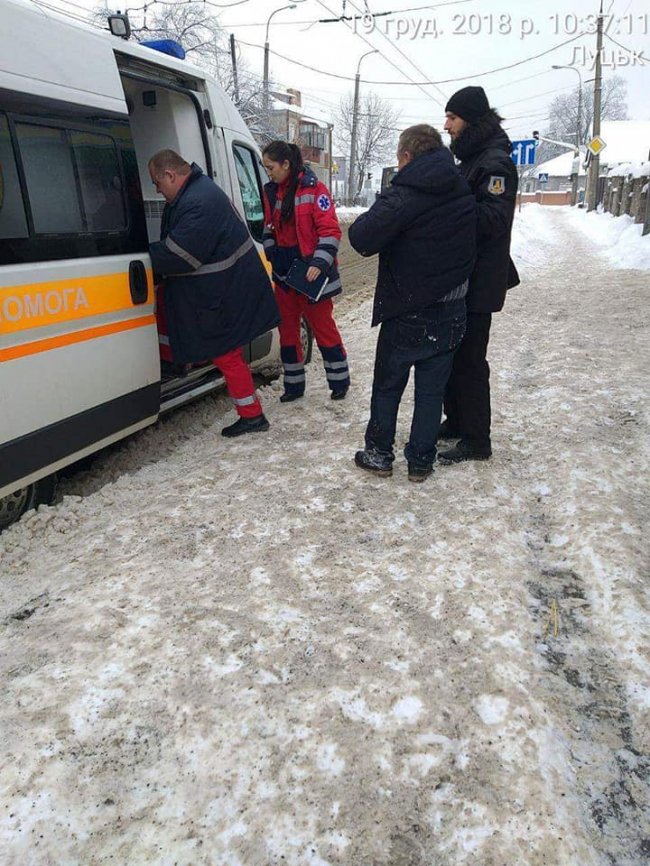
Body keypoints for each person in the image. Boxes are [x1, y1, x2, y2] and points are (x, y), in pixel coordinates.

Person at [348, 125, 476, 482]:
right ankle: (421, 462)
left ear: (406, 157)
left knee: (389, 385)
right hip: (453, 307)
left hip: (407, 310)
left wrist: (388, 196)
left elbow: (360, 237)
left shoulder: (404, 195)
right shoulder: (462, 188)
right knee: (432, 391)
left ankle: (379, 454)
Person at [148, 149, 280, 437]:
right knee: (225, 352)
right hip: (223, 289)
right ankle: (250, 413)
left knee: (226, 354)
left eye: (158, 183)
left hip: (222, 293)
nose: (157, 191)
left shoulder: (197, 202)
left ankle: (252, 416)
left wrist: (142, 257)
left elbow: (180, 255)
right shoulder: (198, 192)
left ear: (170, 175)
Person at [439, 86, 520, 463]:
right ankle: (456, 421)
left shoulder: (494, 162)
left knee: (471, 359)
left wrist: (453, 208)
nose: (447, 125)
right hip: (465, 275)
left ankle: (476, 439)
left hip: (479, 279)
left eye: (452, 118)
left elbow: (495, 218)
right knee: (455, 354)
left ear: (469, 119)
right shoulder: (474, 158)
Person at [261, 141, 350, 402]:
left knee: (324, 330)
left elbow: (331, 231)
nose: (269, 173)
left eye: (271, 167)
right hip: (284, 273)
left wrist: (318, 264)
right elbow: (268, 228)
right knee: (288, 332)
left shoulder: (315, 190)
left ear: (286, 164)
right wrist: (271, 252)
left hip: (311, 276)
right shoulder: (272, 192)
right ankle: (294, 385)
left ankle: (339, 381)